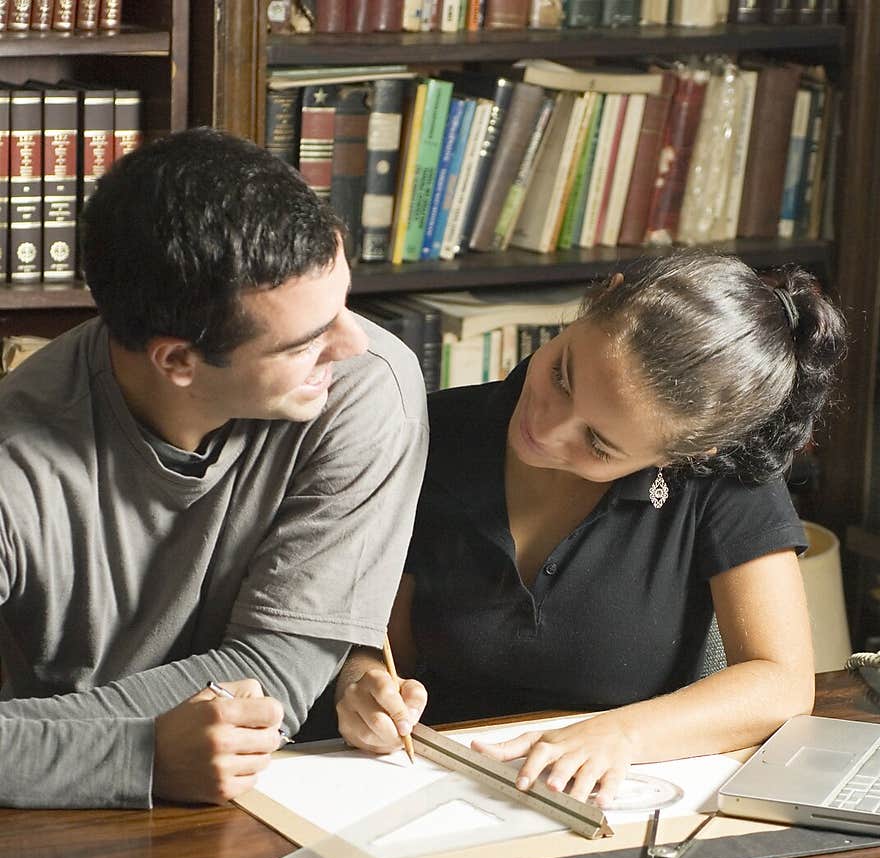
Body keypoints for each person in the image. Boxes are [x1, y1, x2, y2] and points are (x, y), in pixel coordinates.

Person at [327, 248, 848, 807]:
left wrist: (620, 734)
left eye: (598, 444)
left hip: (624, 803)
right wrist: (361, 686)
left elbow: (781, 683)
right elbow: (377, 648)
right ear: (599, 297)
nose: (546, 430)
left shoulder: (723, 482)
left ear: (684, 455)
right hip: (429, 787)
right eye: (563, 376)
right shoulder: (426, 436)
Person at [0, 127, 427, 809]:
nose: (353, 343)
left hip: (274, 798)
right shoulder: (14, 465)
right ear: (178, 362)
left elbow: (272, 677)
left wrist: (35, 746)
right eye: (308, 339)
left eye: (345, 302)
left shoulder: (367, 387)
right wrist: (135, 753)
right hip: (56, 826)